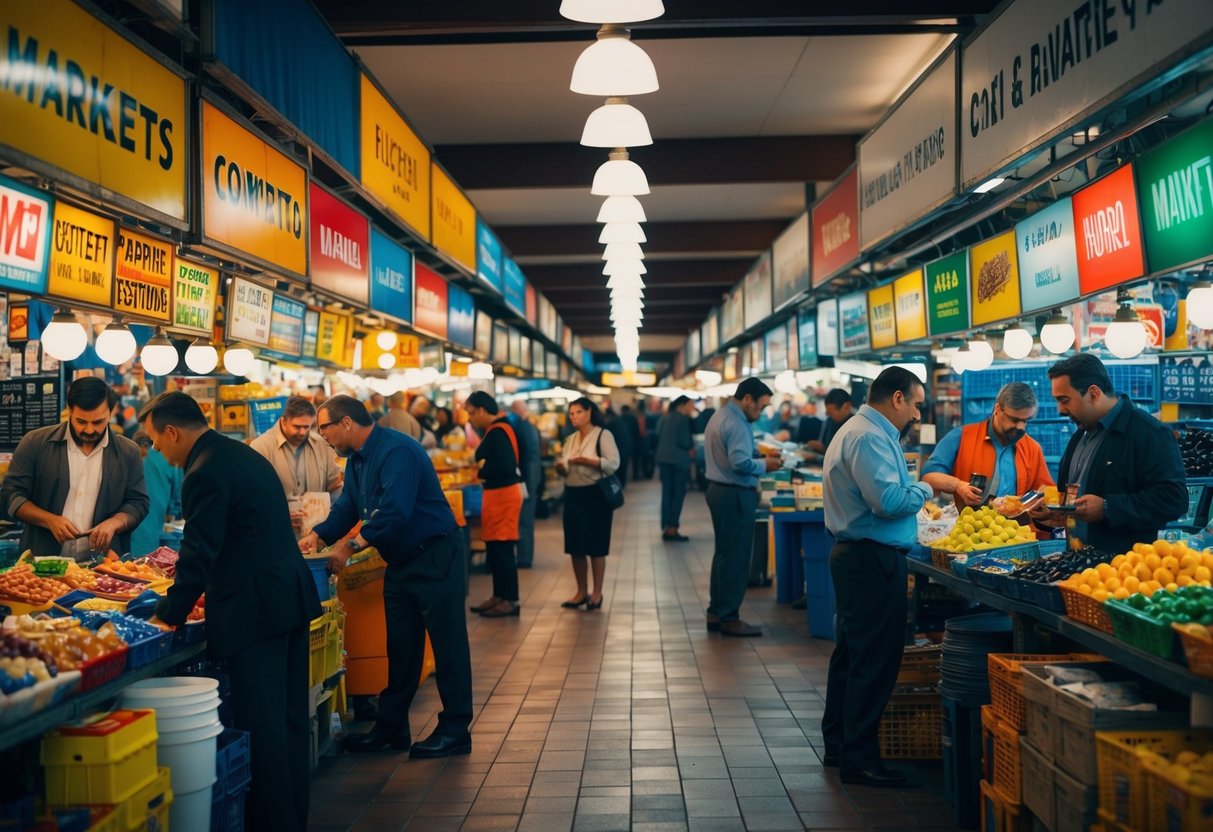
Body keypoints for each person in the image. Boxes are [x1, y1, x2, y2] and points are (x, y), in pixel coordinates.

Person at [140, 392, 320, 831]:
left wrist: (167, 615)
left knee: (264, 729)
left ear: (172, 432)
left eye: (158, 444)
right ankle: (294, 817)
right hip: (287, 601)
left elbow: (199, 553)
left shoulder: (204, 471)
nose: (158, 453)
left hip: (255, 613)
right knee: (291, 720)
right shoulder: (240, 454)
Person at [299, 395, 472, 758]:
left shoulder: (397, 452)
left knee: (447, 645)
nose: (322, 435)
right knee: (401, 647)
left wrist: (350, 547)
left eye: (324, 427)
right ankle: (392, 728)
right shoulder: (358, 460)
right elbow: (348, 506)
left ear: (346, 423)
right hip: (401, 562)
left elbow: (394, 512)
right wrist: (319, 535)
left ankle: (456, 730)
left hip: (435, 556)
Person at [821, 367, 936, 787]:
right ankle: (860, 759)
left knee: (851, 656)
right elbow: (887, 500)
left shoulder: (858, 429)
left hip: (859, 557)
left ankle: (839, 744)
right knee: (874, 661)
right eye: (917, 405)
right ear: (898, 398)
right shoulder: (869, 436)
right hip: (871, 561)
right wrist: (927, 487)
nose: (918, 416)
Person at [1037, 353, 1186, 553]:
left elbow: (1174, 499)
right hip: (1077, 564)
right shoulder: (1080, 435)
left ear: (1093, 394)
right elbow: (1073, 498)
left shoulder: (1148, 433)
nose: (1059, 410)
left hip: (1123, 571)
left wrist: (1108, 508)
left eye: (1064, 400)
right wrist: (1055, 514)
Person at [2, 377, 148, 559]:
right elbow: (11, 495)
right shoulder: (35, 443)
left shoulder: (128, 452)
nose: (88, 430)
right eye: (81, 421)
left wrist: (115, 523)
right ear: (69, 411)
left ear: (110, 413)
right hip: (41, 564)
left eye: (98, 422)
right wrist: (49, 520)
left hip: (102, 567)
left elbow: (138, 502)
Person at [703, 378, 782, 637]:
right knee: (736, 558)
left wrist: (756, 458)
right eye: (760, 407)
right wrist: (764, 465)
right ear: (747, 398)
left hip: (719, 490)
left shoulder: (721, 416)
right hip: (734, 493)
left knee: (724, 555)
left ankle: (716, 611)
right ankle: (729, 617)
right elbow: (738, 462)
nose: (760, 413)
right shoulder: (737, 423)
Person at [922, 382, 1055, 514]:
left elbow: (1047, 495)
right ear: (997, 409)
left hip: (1017, 532)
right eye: (1014, 420)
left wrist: (1046, 511)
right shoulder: (960, 437)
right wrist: (958, 486)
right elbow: (928, 478)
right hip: (968, 529)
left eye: (1026, 420)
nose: (1021, 427)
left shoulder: (1032, 448)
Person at [557, 397, 620, 611]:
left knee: (596, 546)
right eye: (571, 413)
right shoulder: (570, 439)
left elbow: (613, 464)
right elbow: (565, 468)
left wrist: (589, 461)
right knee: (575, 546)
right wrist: (561, 468)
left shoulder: (603, 435)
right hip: (573, 494)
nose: (574, 417)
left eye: (578, 412)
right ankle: (581, 591)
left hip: (595, 496)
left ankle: (597, 593)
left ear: (589, 413)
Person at [465, 392, 524, 617]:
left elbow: (507, 466)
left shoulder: (499, 431)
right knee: (496, 549)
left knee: (504, 550)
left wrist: (482, 470)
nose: (471, 419)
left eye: (472, 413)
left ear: (481, 410)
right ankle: (499, 595)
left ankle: (510, 600)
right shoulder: (497, 429)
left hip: (504, 496)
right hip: (497, 495)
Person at [249, 397, 343, 534]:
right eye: (297, 427)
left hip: (316, 535)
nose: (303, 432)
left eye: (307, 427)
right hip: (275, 533)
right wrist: (278, 515)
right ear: (283, 421)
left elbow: (335, 488)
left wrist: (333, 519)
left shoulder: (322, 445)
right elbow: (252, 496)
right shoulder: (261, 447)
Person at [129, 430, 182, 557]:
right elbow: (177, 504)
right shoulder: (171, 460)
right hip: (150, 540)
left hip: (120, 540)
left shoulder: (125, 456)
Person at [656, 396, 696, 542]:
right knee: (678, 494)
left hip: (664, 460)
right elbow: (685, 441)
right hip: (679, 461)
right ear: (683, 405)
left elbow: (658, 436)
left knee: (667, 493)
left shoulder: (665, 419)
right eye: (691, 404)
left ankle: (667, 526)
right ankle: (673, 528)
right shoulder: (683, 419)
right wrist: (691, 448)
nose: (692, 408)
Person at [509, 400, 543, 568]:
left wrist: (527, 485)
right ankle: (524, 556)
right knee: (525, 521)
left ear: (517, 410)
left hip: (527, 481)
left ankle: (524, 558)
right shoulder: (529, 427)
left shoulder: (523, 428)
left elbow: (528, 459)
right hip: (531, 479)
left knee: (524, 521)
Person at [804, 388, 853, 457]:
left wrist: (822, 452)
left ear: (846, 406)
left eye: (830, 412)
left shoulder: (854, 428)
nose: (826, 414)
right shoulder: (829, 421)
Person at [604, 405, 634, 488]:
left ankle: (618, 485)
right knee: (623, 468)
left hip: (618, 449)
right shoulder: (622, 422)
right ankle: (622, 485)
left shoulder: (611, 425)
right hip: (626, 448)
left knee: (617, 469)